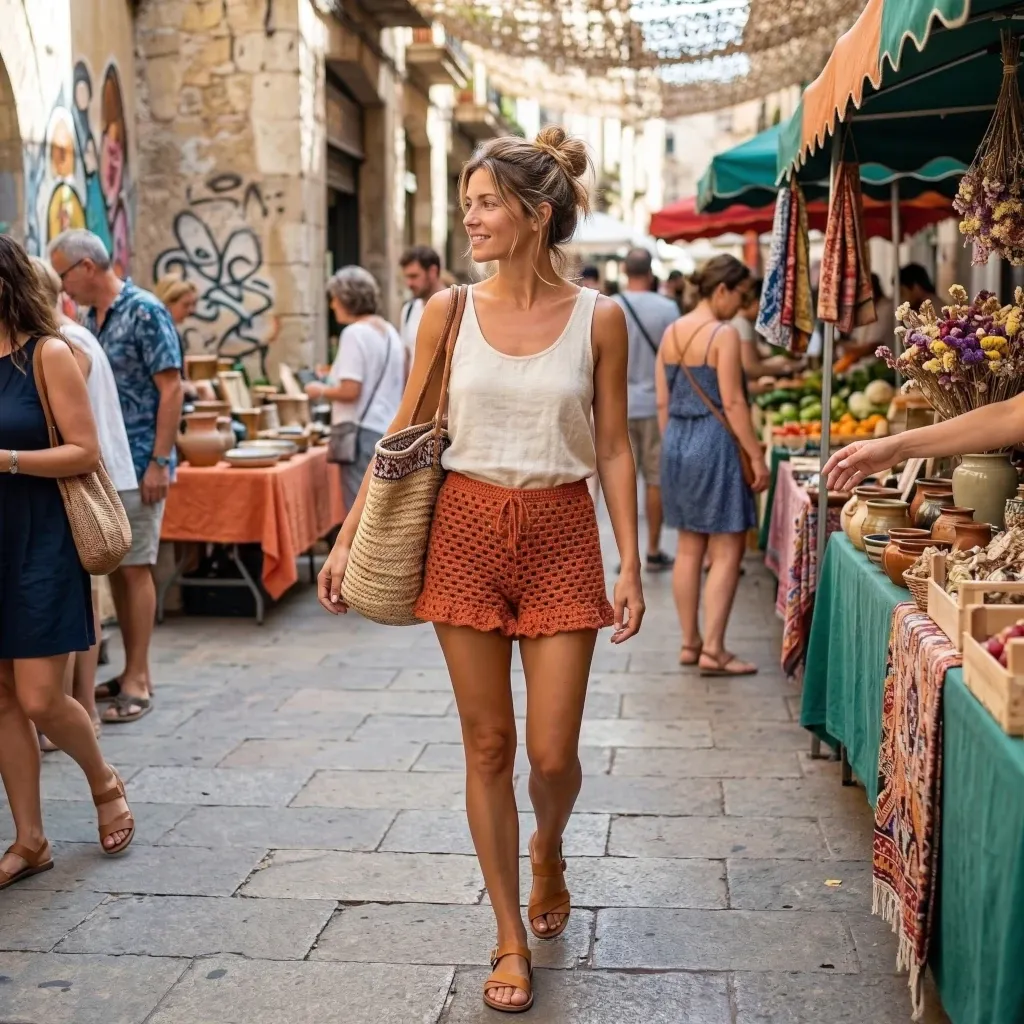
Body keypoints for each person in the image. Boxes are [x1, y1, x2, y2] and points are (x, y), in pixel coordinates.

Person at [316, 125, 644, 1014]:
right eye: (467, 204)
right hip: (461, 524)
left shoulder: (599, 318)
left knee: (552, 753)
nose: (471, 219)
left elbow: (613, 445)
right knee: (489, 744)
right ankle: (506, 935)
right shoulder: (446, 311)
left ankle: (550, 845)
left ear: (537, 215)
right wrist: (347, 537)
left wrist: (630, 562)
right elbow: (404, 432)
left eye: (487, 202)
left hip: (563, 532)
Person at [0, 234, 136, 889]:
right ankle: (29, 840)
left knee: (39, 697)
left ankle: (103, 779)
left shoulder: (50, 352)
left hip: (42, 540)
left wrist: (7, 460)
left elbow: (85, 451)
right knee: (0, 700)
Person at [48, 229, 183, 724]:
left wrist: (159, 461)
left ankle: (139, 677)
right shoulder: (89, 318)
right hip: (105, 464)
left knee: (136, 568)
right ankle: (124, 670)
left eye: (62, 274)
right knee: (115, 568)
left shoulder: (145, 310)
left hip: (138, 463)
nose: (62, 287)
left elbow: (171, 389)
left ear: (85, 267)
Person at [31, 257, 137, 739]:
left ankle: (80, 709)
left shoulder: (64, 347)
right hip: (63, 490)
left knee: (83, 603)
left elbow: (79, 443)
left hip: (73, 492)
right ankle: (77, 708)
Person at [657, 254, 769, 676]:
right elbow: (734, 402)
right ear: (721, 290)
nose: (741, 306)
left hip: (677, 442)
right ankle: (715, 650)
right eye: (740, 295)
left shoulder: (672, 332)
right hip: (715, 442)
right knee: (726, 548)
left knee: (688, 547)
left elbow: (664, 401)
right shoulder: (721, 334)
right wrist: (755, 455)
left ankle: (690, 643)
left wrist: (678, 445)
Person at [305, 267, 406, 512]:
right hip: (387, 429)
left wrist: (318, 389)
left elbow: (351, 390)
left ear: (346, 298)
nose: (332, 305)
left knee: (360, 513)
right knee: (380, 512)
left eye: (334, 298)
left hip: (361, 435)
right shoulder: (390, 331)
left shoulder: (354, 333)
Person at [613, 247, 678, 571]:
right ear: (651, 272)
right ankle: (652, 549)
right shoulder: (668, 309)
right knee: (654, 480)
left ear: (625, 271)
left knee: (621, 480)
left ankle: (628, 559)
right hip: (656, 406)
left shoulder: (611, 307)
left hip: (618, 406)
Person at [732, 278, 805, 394]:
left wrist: (781, 360)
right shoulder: (742, 324)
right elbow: (750, 367)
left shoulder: (746, 323)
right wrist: (785, 368)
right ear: (757, 301)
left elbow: (754, 355)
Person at [398, 246, 444, 364]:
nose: (409, 283)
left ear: (432, 272)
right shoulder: (409, 310)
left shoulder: (458, 306)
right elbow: (407, 357)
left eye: (414, 276)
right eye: (406, 277)